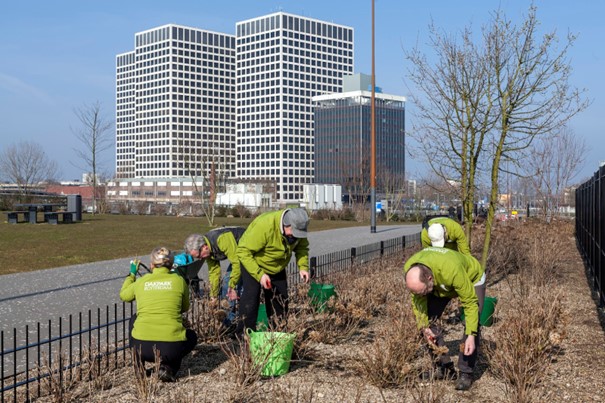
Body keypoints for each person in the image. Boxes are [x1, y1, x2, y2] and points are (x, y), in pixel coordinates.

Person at [403, 247, 486, 391]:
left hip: (471, 278)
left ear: (429, 279)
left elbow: (470, 304)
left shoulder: (451, 270)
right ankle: (444, 367)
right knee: (429, 322)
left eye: (422, 292)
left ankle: (466, 372)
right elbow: (418, 301)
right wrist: (424, 327)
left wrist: (471, 335)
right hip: (441, 286)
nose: (421, 296)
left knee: (472, 323)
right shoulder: (411, 270)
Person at [120, 247, 197, 382]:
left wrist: (132, 274)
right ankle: (167, 368)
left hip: (141, 347)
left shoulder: (141, 281)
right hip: (170, 349)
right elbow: (185, 307)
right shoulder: (179, 281)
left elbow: (124, 296)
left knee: (134, 319)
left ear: (151, 265)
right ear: (172, 265)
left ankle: (139, 367)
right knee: (191, 337)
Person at [235, 208, 310, 334]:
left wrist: (303, 267)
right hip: (254, 263)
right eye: (294, 232)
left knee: (280, 300)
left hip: (277, 266)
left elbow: (302, 247)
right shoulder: (265, 226)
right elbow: (243, 251)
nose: (295, 236)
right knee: (251, 299)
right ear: (286, 224)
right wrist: (260, 275)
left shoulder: (297, 229)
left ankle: (278, 333)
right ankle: (244, 335)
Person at [198, 226, 247, 326]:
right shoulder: (207, 251)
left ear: (204, 247)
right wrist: (213, 295)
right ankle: (230, 319)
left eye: (199, 256)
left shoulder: (221, 239)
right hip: (238, 255)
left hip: (248, 247)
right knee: (226, 285)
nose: (200, 259)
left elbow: (236, 262)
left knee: (228, 282)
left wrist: (232, 285)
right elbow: (214, 272)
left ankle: (231, 322)